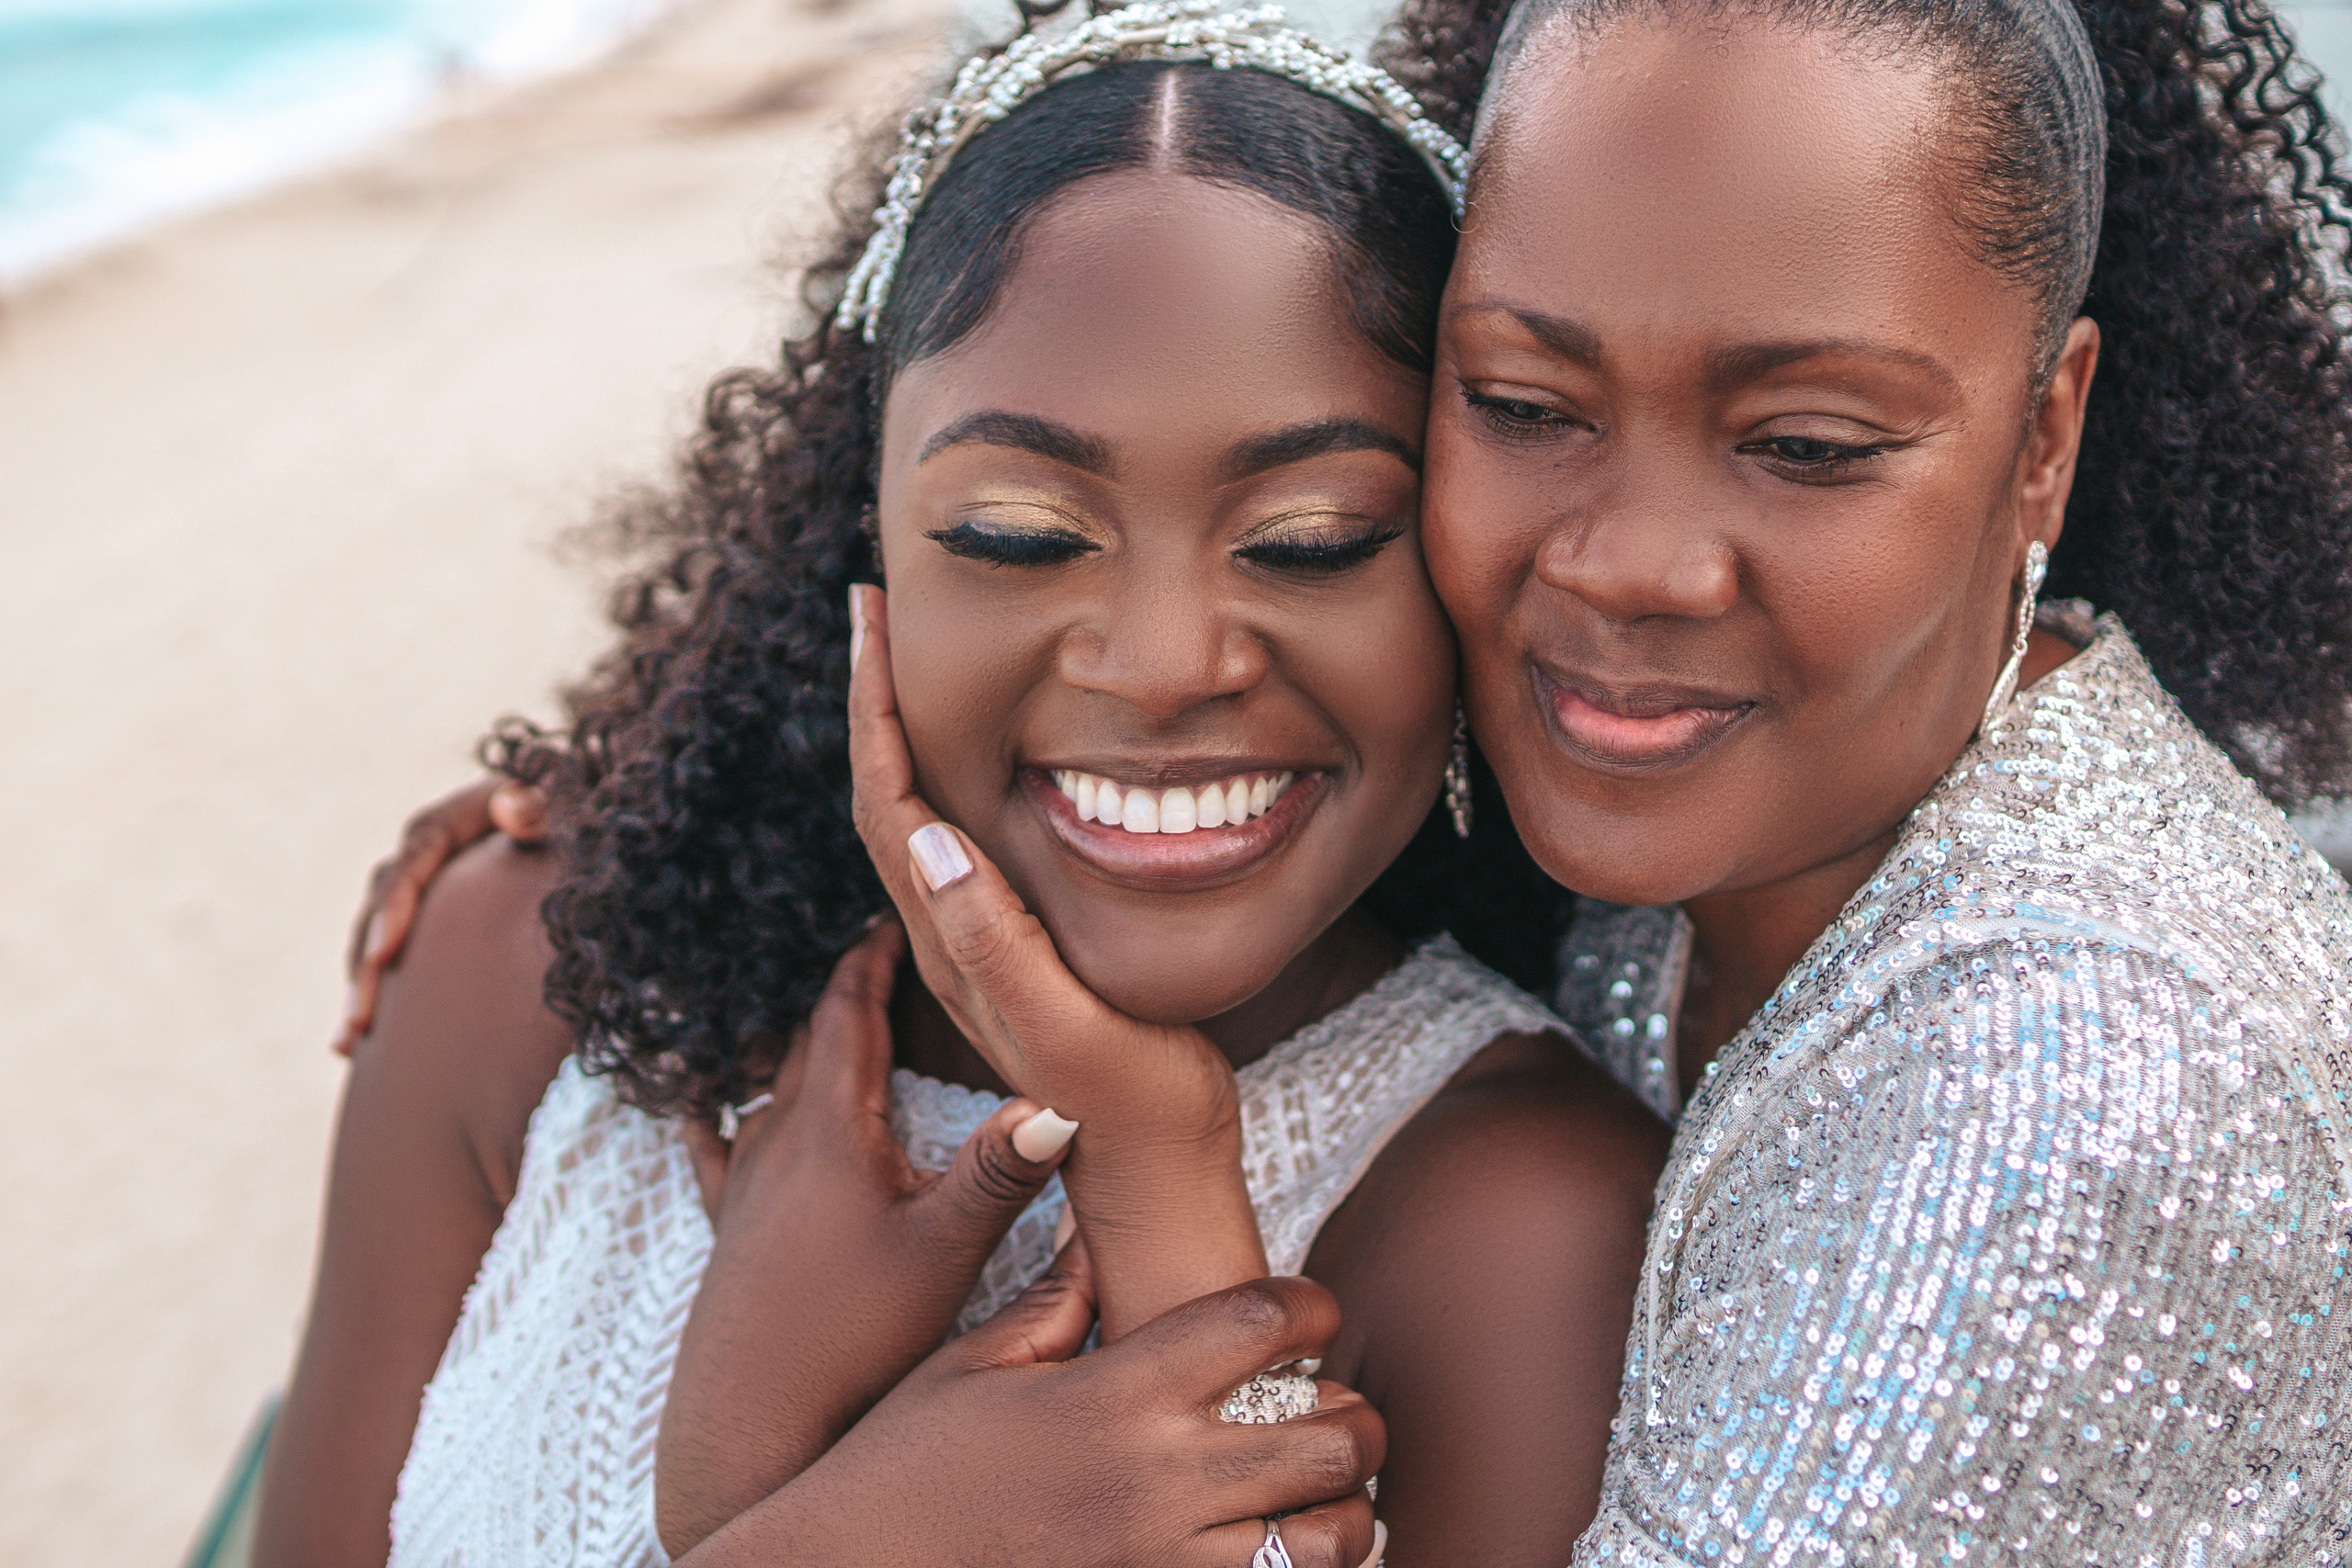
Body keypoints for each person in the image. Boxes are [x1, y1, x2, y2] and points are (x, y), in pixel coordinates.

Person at [344, 0, 2352, 1552]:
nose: (1620, 562)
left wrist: (790, 1501)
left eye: (1809, 442)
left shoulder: (2067, 1083)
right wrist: (645, 769)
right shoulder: (1701, 827)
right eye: (1523, 401)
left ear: (2040, 438)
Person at [255, 8, 1669, 1566]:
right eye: (1015, 533)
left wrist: (1157, 1169)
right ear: (856, 551)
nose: (1161, 664)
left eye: (1313, 540)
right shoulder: (521, 983)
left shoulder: (1524, 1221)